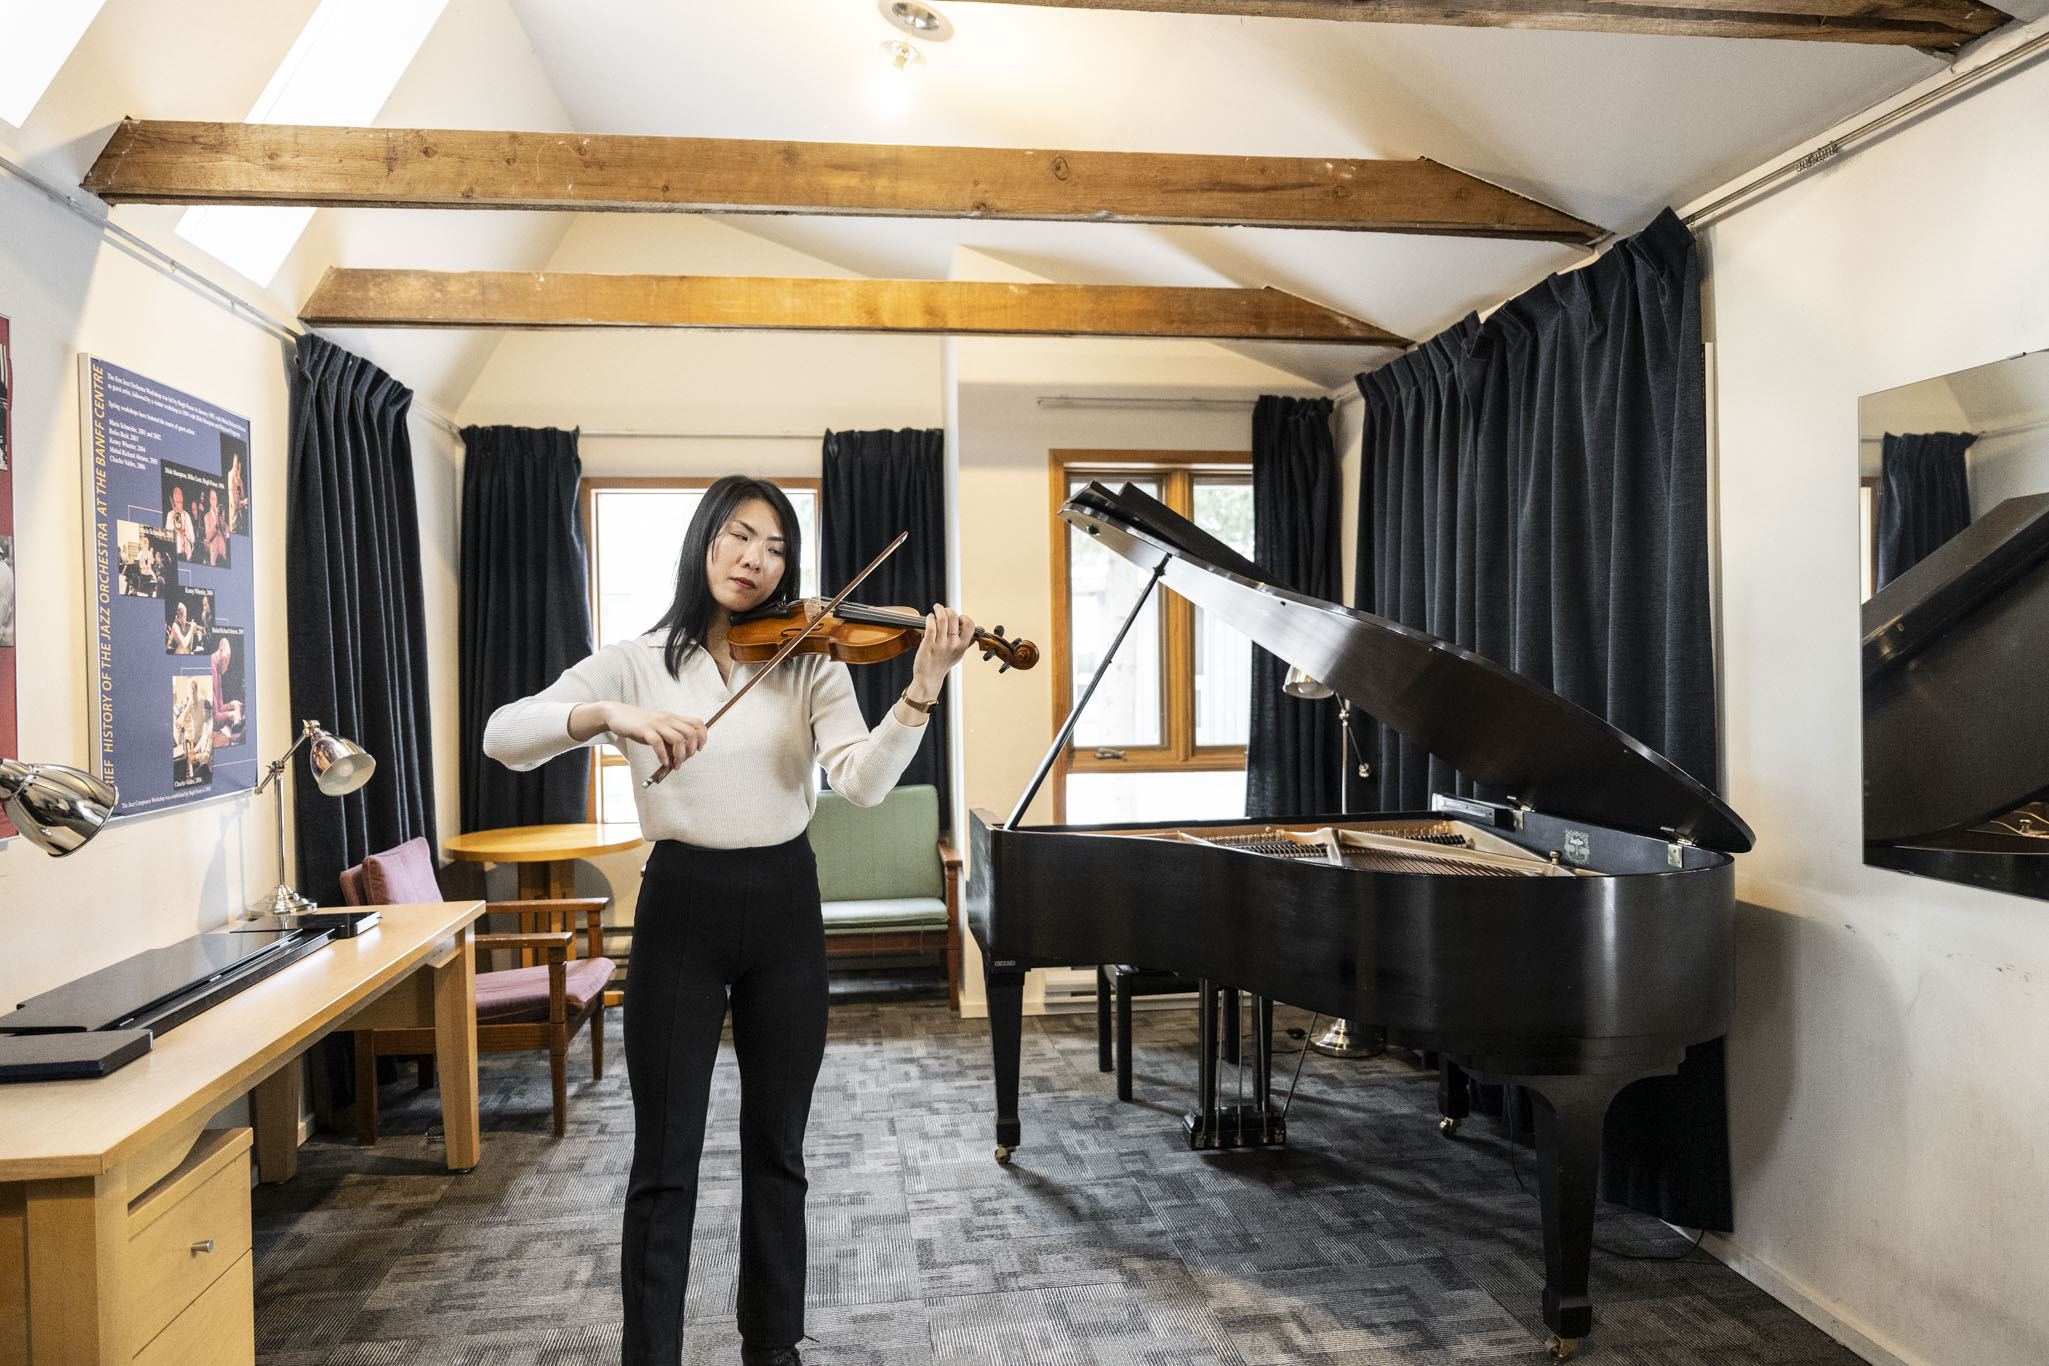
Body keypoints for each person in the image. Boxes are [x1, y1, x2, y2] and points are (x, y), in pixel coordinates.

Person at [483, 476, 975, 1366]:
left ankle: (771, 1345)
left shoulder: (812, 658)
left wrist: (921, 690)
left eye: (776, 546)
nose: (755, 559)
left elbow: (861, 783)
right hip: (680, 908)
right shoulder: (634, 659)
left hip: (786, 906)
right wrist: (606, 714)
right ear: (704, 539)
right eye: (739, 536)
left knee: (777, 1149)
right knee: (663, 1160)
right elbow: (504, 734)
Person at [166, 486, 194, 561]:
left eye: (180, 495)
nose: (179, 498)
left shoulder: (187, 516)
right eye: (176, 496)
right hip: (175, 554)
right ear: (174, 499)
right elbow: (167, 535)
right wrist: (175, 527)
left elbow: (193, 538)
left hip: (186, 554)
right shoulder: (170, 514)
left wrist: (185, 532)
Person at [202, 489, 228, 566]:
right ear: (210, 500)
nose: (214, 501)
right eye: (212, 499)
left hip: (223, 550)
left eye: (215, 499)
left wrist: (225, 527)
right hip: (214, 554)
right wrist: (215, 523)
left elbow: (225, 532)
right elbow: (208, 536)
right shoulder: (207, 516)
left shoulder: (220, 513)